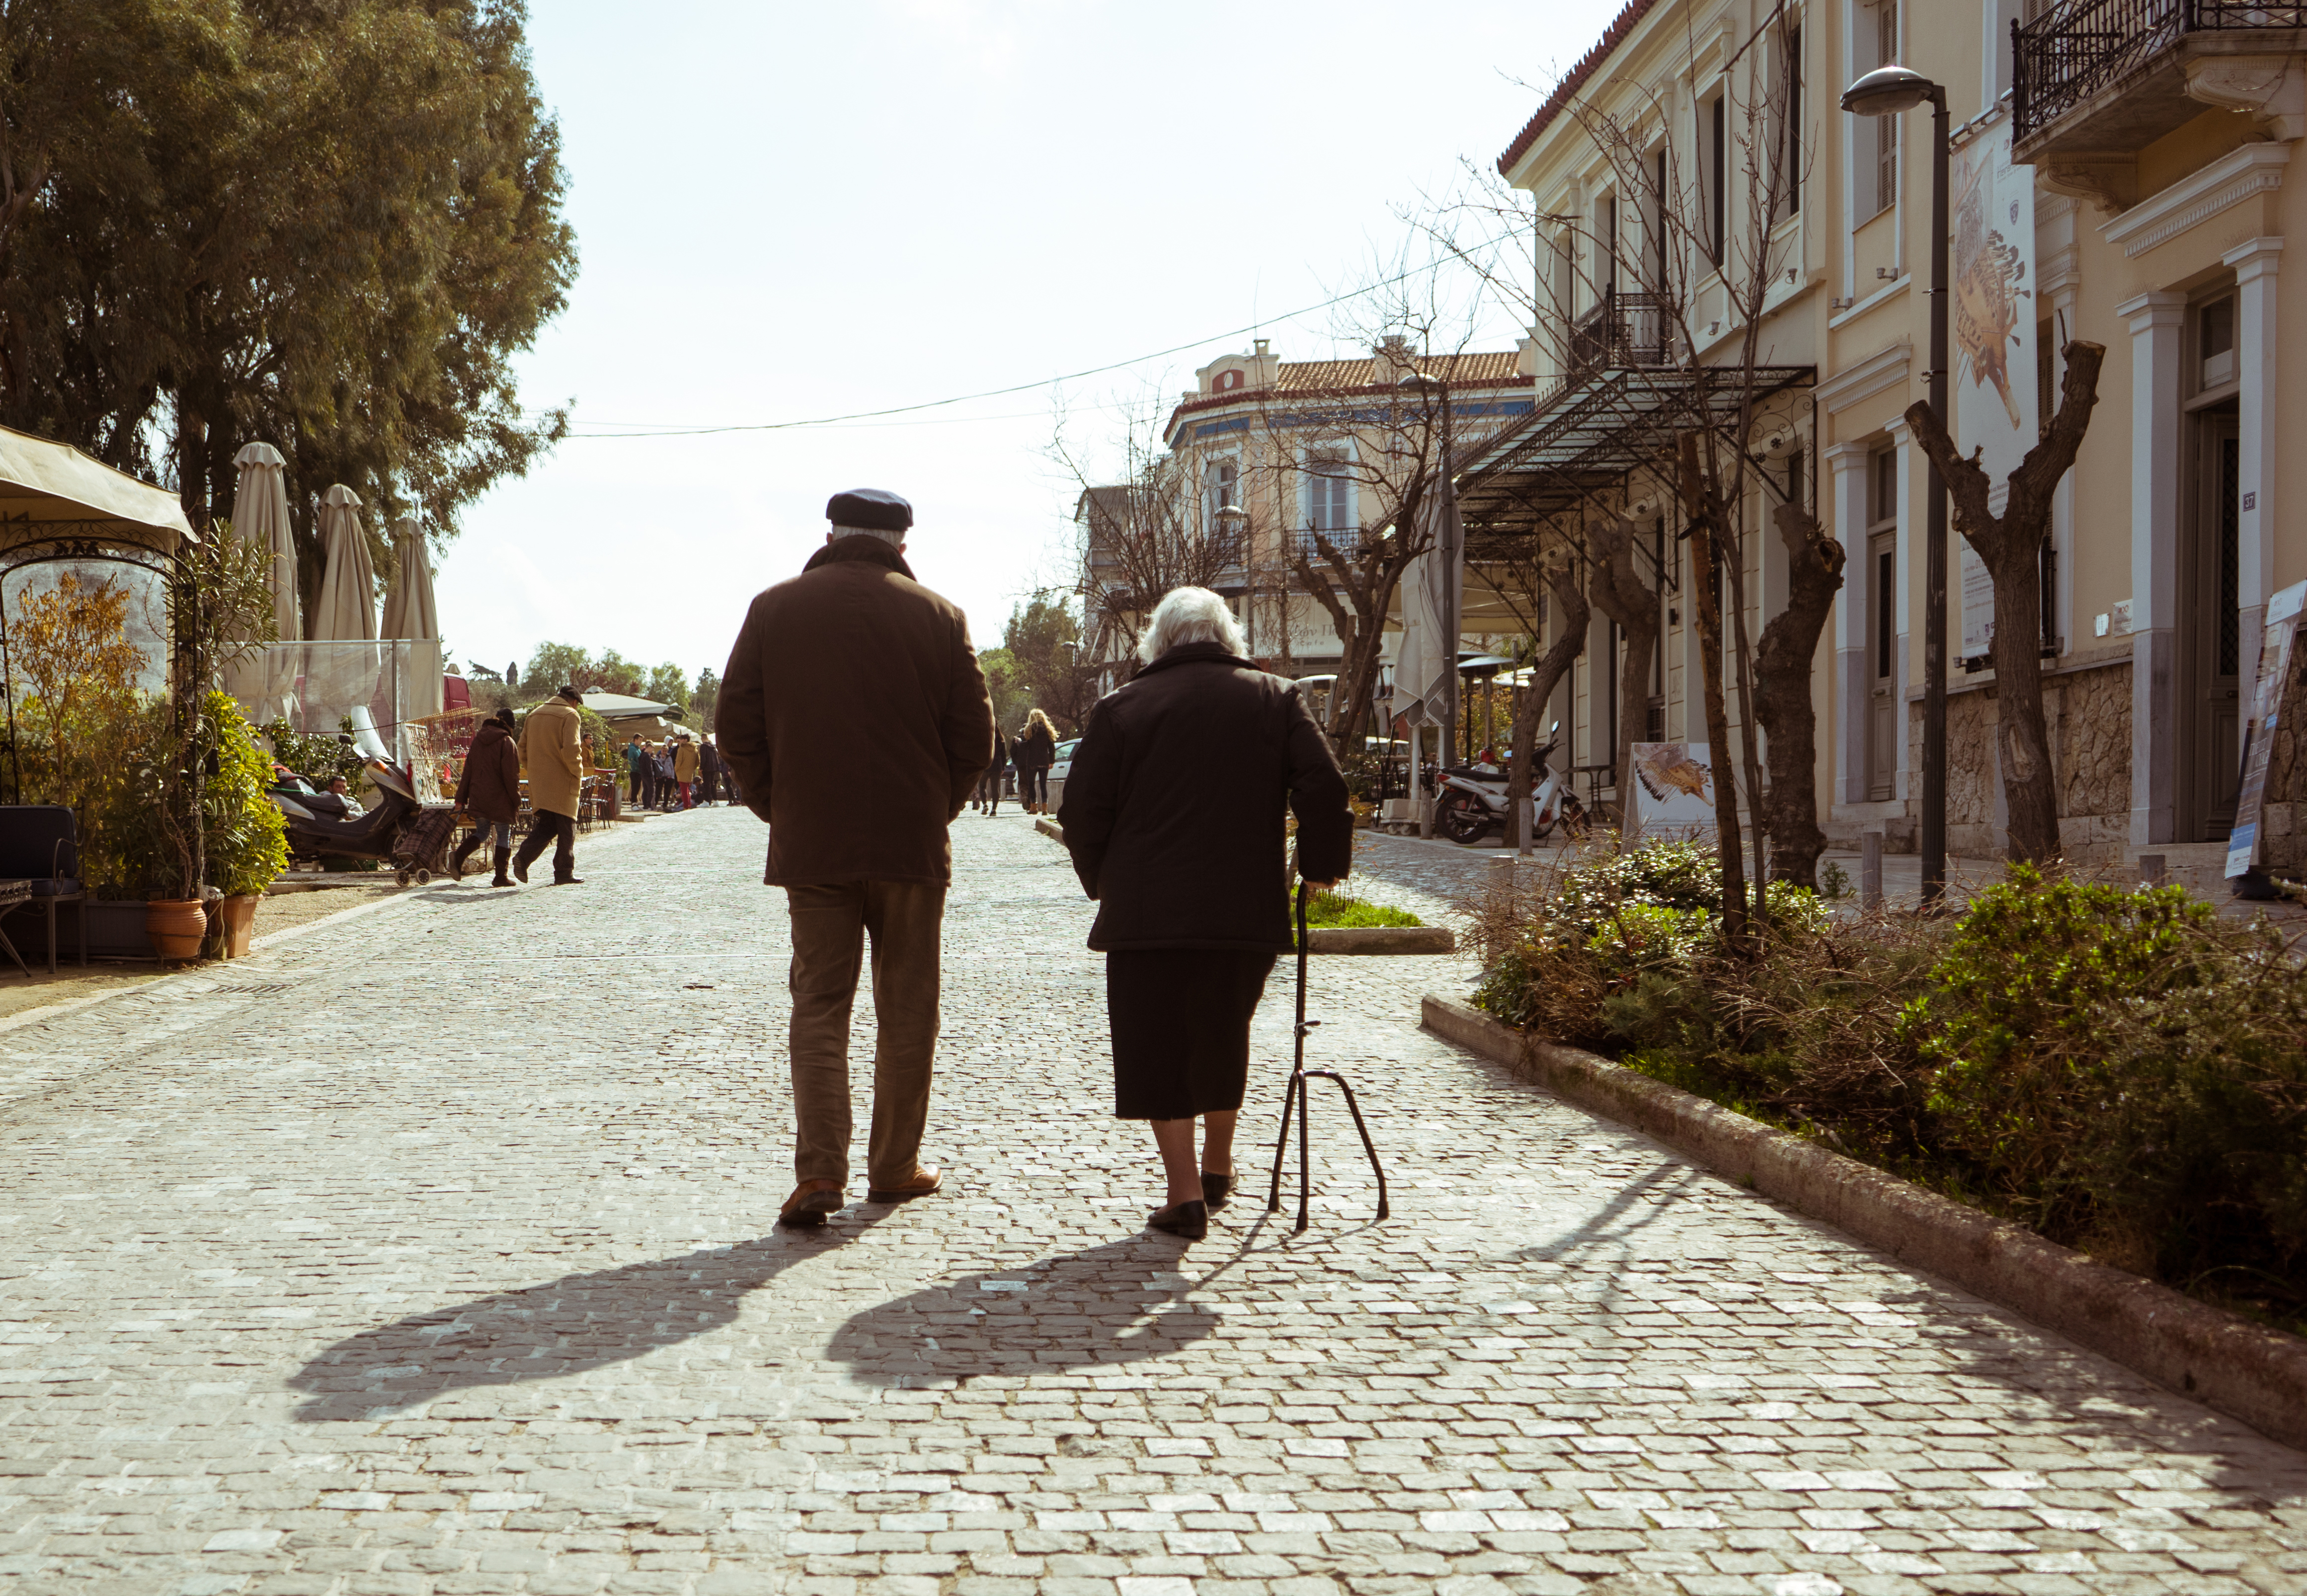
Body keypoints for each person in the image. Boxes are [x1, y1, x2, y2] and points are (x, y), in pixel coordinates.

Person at [718, 487, 994, 1228]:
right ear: (902, 546)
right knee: (907, 1011)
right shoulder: (941, 617)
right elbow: (976, 742)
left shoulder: (774, 609)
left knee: (818, 1006)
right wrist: (934, 806)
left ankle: (818, 1175)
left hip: (814, 847)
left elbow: (735, 731)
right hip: (909, 847)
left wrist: (782, 805)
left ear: (831, 534)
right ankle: (894, 1165)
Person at [1056, 586, 1352, 1242]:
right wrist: (1318, 865)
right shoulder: (1275, 699)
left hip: (1145, 910)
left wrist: (1102, 879)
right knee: (1224, 1030)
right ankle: (1218, 1166)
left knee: (1157, 1044)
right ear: (1229, 638)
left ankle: (1184, 1193)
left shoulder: (1119, 708)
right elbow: (1323, 786)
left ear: (1157, 642)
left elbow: (1081, 812)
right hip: (1241, 906)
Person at [514, 684, 586, 885]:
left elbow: (522, 749)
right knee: (567, 828)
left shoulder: (534, 714)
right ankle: (564, 872)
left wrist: (535, 771)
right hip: (563, 780)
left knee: (548, 825)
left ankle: (523, 857)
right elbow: (572, 750)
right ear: (574, 702)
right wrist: (578, 772)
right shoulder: (570, 715)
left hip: (540, 782)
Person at [451, 708, 523, 887]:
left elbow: (467, 771)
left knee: (482, 833)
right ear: (509, 726)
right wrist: (516, 800)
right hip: (501, 798)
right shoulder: (507, 742)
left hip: (479, 795)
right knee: (504, 834)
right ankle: (500, 877)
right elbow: (511, 777)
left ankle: (458, 856)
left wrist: (461, 797)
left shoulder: (478, 741)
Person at [1013, 708, 1057, 813]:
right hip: (1044, 761)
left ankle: (1034, 808)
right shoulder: (1048, 730)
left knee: (1031, 784)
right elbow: (1052, 747)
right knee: (1043, 785)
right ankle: (1045, 809)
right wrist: (1052, 761)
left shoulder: (1029, 729)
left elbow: (1027, 745)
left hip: (1032, 761)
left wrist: (1019, 743)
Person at [973, 725, 1009, 815]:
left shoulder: (985, 737)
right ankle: (994, 809)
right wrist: (1003, 767)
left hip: (986, 765)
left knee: (982, 786)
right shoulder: (1001, 739)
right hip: (997, 766)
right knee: (995, 788)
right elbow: (1004, 755)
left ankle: (985, 804)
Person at [673, 732, 701, 808]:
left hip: (681, 772)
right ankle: (688, 805)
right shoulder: (694, 750)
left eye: (681, 739)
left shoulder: (682, 749)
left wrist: (676, 769)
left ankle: (686, 806)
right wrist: (691, 769)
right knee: (687, 790)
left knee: (684, 790)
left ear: (685, 740)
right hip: (690, 773)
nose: (680, 741)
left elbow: (678, 761)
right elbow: (697, 762)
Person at [626, 734, 650, 806]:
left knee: (638, 787)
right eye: (640, 740)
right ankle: (634, 802)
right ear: (636, 740)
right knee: (635, 786)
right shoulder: (632, 749)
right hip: (634, 770)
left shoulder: (638, 749)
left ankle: (635, 801)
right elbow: (631, 760)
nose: (641, 742)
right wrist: (638, 766)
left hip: (639, 771)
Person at [699, 736, 722, 806]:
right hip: (714, 768)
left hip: (707, 768)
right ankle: (715, 800)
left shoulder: (704, 747)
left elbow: (703, 758)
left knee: (707, 785)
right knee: (712, 784)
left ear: (702, 739)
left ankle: (707, 801)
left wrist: (701, 768)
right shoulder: (713, 748)